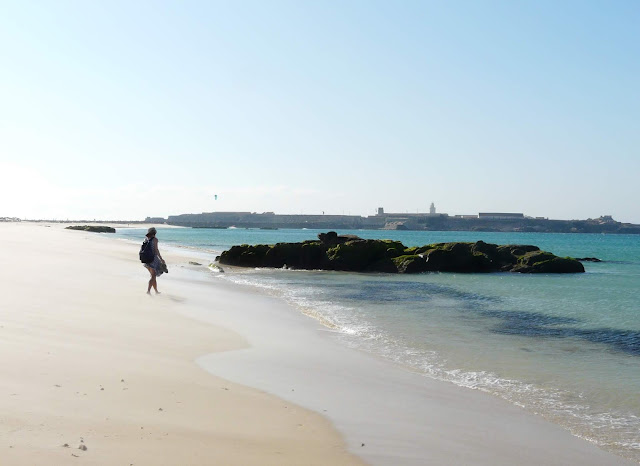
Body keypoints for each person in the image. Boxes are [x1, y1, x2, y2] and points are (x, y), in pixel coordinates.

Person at [143, 227, 166, 294]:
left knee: (153, 276)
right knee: (153, 276)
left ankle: (156, 291)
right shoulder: (155, 239)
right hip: (153, 260)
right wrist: (161, 259)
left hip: (146, 260)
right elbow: (156, 250)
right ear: (154, 233)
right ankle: (148, 291)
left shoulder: (146, 239)